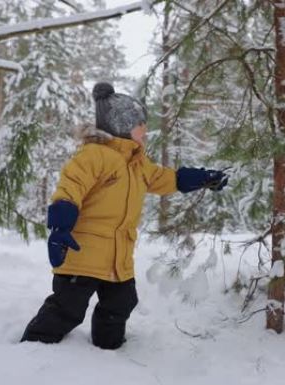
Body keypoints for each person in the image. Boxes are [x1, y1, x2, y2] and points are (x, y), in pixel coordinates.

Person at [20, 82, 228, 349]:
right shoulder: (95, 156)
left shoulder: (138, 165)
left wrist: (203, 178)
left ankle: (109, 347)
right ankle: (33, 348)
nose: (146, 131)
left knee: (122, 302)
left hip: (118, 257)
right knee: (67, 307)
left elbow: (168, 178)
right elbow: (70, 188)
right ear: (122, 125)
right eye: (141, 125)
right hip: (82, 251)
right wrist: (60, 228)